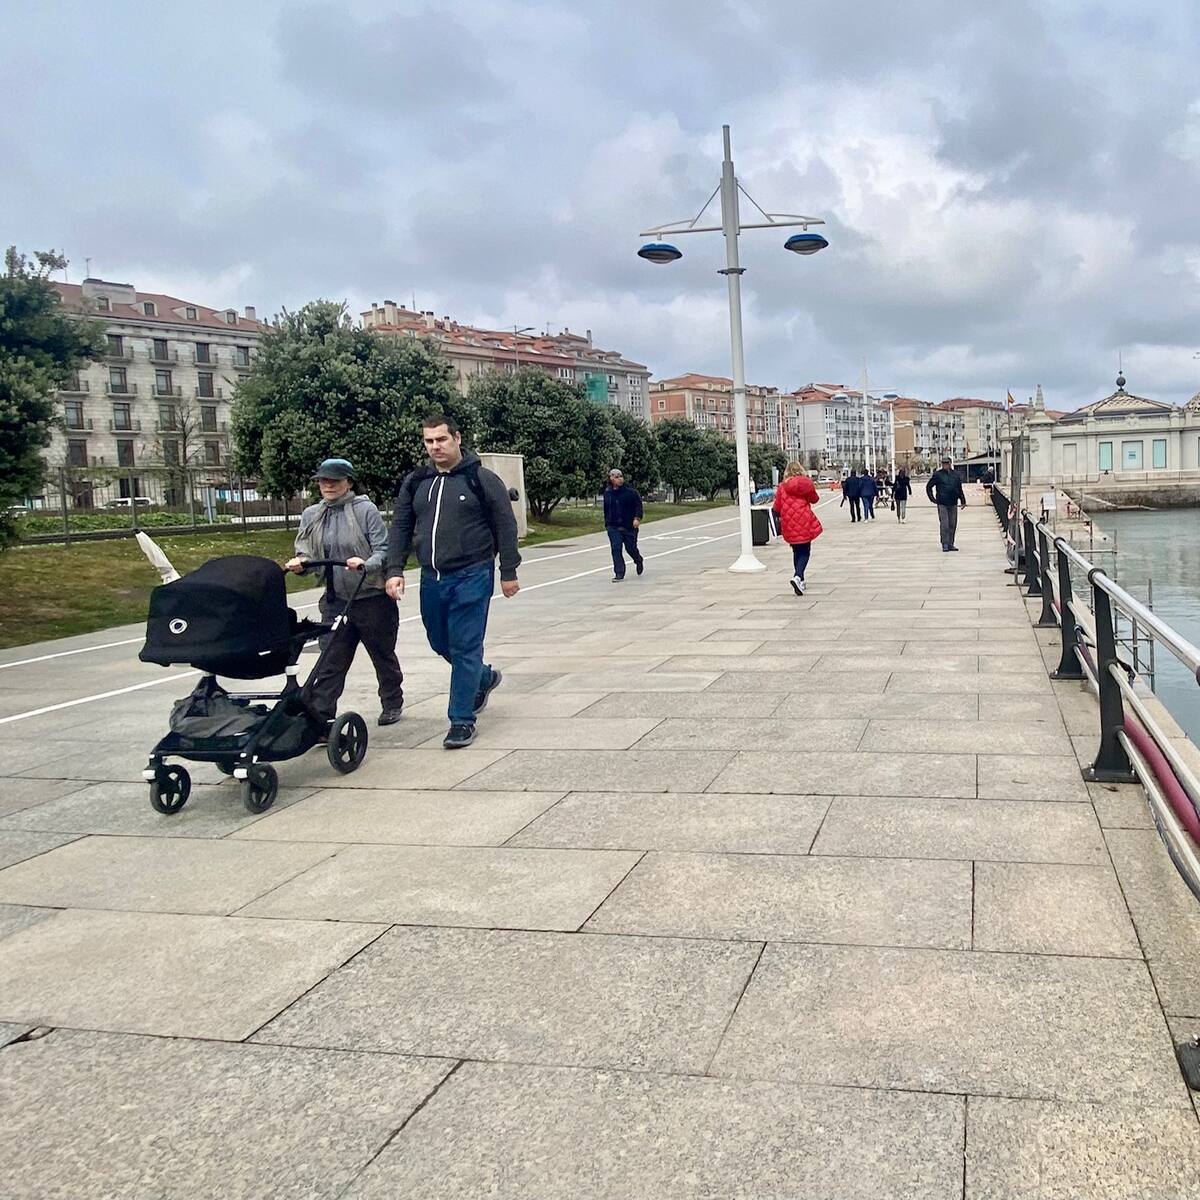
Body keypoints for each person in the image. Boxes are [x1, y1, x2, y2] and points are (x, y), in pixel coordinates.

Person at [385, 415, 521, 749]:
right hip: (432, 578)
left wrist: (508, 571)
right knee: (439, 641)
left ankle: (461, 721)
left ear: (457, 438)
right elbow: (400, 526)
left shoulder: (481, 479)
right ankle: (482, 677)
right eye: (429, 441)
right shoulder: (416, 481)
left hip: (472, 574)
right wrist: (394, 569)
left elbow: (506, 525)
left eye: (441, 439)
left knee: (465, 646)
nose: (435, 447)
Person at [286, 458, 405, 726]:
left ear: (349, 482)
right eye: (323, 481)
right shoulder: (312, 514)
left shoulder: (366, 510)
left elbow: (383, 548)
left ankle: (392, 701)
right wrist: (301, 563)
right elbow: (304, 550)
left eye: (335, 480)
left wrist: (366, 564)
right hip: (335, 600)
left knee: (382, 654)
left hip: (371, 598)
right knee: (331, 660)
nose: (328, 485)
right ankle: (321, 716)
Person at [772, 461, 823, 596]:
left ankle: (801, 580)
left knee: (796, 550)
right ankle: (798, 576)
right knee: (805, 551)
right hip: (804, 519)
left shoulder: (782, 487)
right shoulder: (806, 484)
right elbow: (814, 499)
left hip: (789, 521)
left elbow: (777, 507)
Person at [603, 468, 644, 582]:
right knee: (616, 548)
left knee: (631, 548)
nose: (619, 479)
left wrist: (637, 518)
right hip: (613, 526)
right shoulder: (608, 492)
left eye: (621, 476)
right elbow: (606, 509)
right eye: (616, 477)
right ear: (611, 478)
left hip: (629, 526)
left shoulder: (631, 492)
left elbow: (638, 506)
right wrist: (607, 523)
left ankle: (638, 560)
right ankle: (619, 573)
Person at [926, 455, 967, 551]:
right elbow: (929, 487)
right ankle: (944, 543)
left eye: (946, 463)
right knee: (945, 524)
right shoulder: (937, 475)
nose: (945, 465)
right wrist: (932, 498)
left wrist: (963, 500)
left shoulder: (955, 475)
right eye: (943, 463)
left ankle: (950, 544)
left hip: (953, 502)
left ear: (950, 464)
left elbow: (959, 488)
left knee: (952, 524)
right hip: (942, 502)